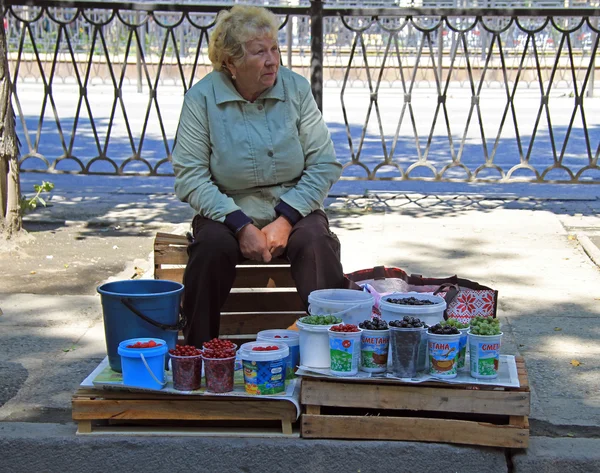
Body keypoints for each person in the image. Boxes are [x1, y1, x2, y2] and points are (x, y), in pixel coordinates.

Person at [171, 5, 345, 348]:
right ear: (230, 64)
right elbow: (190, 176)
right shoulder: (201, 99)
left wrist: (286, 219)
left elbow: (324, 163)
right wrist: (240, 224)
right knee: (210, 250)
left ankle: (331, 352)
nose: (272, 60)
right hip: (226, 209)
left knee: (316, 243)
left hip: (294, 206)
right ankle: (199, 355)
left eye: (275, 48)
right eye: (259, 52)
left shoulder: (295, 89)